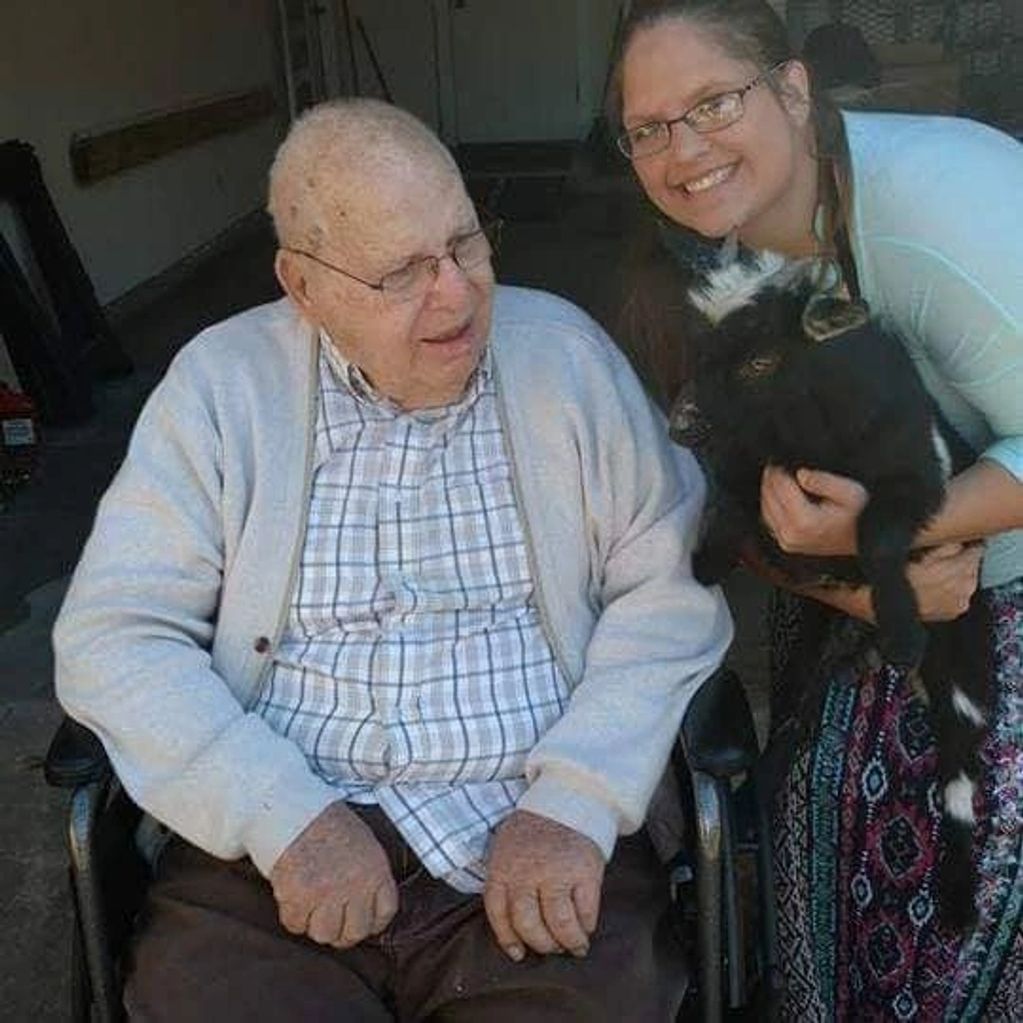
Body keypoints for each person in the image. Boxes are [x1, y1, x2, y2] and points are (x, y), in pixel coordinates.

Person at [52, 98, 731, 1021]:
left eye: (464, 243)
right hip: (273, 857)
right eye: (402, 271)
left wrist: (576, 796)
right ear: (303, 285)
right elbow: (113, 633)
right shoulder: (221, 387)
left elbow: (670, 587)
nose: (454, 292)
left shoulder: (566, 359)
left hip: (536, 833)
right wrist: (278, 813)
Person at [609, 1, 1022, 1019]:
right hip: (880, 580)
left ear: (794, 90)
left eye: (713, 101)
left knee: (977, 839)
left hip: (983, 563)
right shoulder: (700, 267)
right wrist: (838, 581)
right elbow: (708, 501)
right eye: (650, 127)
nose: (684, 147)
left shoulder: (942, 208)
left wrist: (884, 542)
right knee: (815, 817)